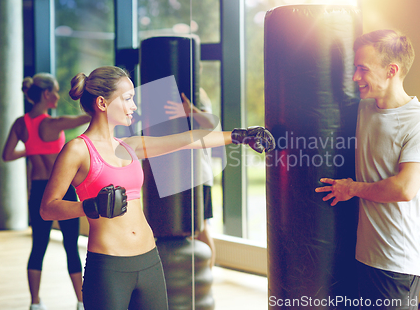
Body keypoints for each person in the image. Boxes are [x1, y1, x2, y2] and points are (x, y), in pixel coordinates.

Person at [39, 66, 275, 310]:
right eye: (128, 98)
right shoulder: (77, 150)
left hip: (149, 261)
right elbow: (48, 209)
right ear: (102, 103)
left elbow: (188, 139)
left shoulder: (130, 145)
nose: (134, 106)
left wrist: (239, 136)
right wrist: (90, 206)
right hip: (109, 267)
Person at [315, 30, 420, 310]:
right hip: (363, 254)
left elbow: (404, 188)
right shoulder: (364, 109)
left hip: (398, 258)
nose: (355, 77)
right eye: (355, 68)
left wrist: (352, 188)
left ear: (391, 71)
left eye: (363, 69)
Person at [2, 73, 91, 310]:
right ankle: (81, 302)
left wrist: (31, 150)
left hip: (38, 190)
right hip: (61, 190)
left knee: (38, 246)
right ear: (46, 94)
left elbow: (7, 155)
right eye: (56, 91)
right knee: (71, 246)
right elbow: (87, 117)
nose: (58, 95)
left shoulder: (21, 124)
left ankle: (35, 303)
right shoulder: (54, 123)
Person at [164, 89, 217, 268]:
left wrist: (191, 110)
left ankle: (208, 274)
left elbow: (211, 122)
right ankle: (198, 274)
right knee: (191, 230)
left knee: (201, 228)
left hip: (199, 175)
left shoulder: (199, 93)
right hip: (181, 176)